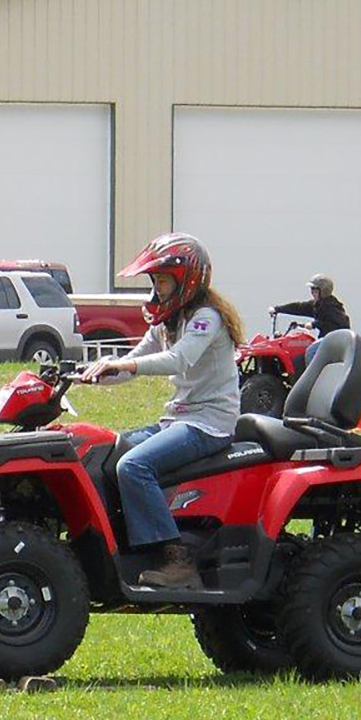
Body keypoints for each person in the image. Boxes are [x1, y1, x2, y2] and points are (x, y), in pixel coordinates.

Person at [81, 233, 244, 589]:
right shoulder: (167, 321)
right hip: (179, 418)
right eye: (154, 281)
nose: (157, 289)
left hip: (209, 423)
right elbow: (133, 360)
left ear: (187, 281)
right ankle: (128, 549)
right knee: (107, 455)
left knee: (134, 465)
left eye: (163, 281)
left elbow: (178, 359)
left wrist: (124, 367)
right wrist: (92, 375)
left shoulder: (206, 319)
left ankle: (176, 559)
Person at [269, 274, 351, 335]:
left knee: (310, 352)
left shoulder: (331, 306)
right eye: (311, 289)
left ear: (323, 291)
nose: (312, 292)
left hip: (334, 342)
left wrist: (314, 324)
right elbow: (299, 307)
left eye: (315, 290)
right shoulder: (318, 305)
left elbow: (337, 322)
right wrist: (277, 309)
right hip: (328, 341)